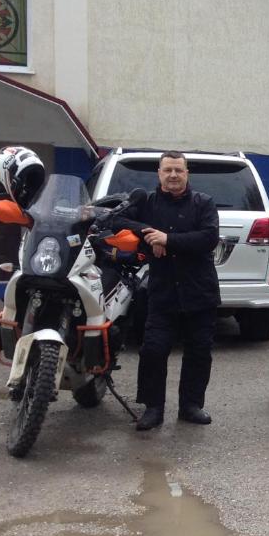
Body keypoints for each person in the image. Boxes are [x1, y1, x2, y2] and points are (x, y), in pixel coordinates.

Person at [112, 151, 220, 431]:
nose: (173, 175)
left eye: (178, 170)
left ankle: (191, 406)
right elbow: (118, 221)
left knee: (199, 352)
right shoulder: (146, 202)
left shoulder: (204, 203)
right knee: (153, 350)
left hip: (199, 291)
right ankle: (153, 408)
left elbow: (208, 238)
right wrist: (150, 234)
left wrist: (168, 240)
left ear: (187, 174)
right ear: (159, 173)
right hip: (162, 293)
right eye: (168, 170)